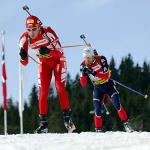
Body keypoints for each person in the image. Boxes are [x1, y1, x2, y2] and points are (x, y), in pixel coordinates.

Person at [19, 15, 75, 133]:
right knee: (43, 91)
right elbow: (24, 63)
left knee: (59, 86)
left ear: (39, 27)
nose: (32, 33)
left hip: (58, 61)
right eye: (29, 30)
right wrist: (23, 56)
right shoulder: (24, 39)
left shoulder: (48, 32)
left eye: (34, 29)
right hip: (44, 64)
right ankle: (43, 125)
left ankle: (68, 120)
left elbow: (60, 53)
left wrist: (49, 51)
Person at [79, 46, 134, 132]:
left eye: (88, 58)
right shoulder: (83, 65)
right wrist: (83, 74)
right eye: (85, 58)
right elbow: (83, 84)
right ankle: (98, 130)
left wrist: (93, 72)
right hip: (98, 89)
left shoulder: (101, 59)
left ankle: (126, 124)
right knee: (97, 109)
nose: (86, 60)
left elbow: (106, 76)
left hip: (108, 86)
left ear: (92, 56)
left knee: (117, 104)